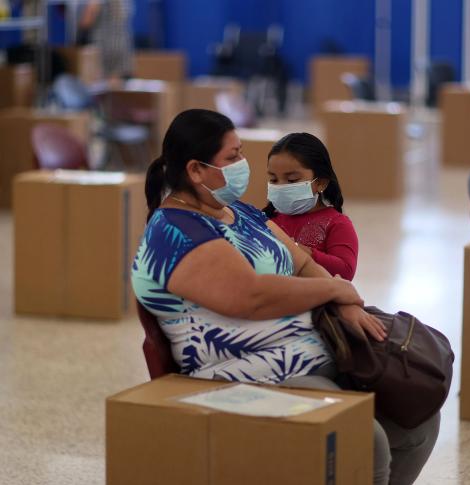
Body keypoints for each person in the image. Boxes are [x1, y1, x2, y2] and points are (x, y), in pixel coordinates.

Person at [131, 109, 439, 485]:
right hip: (237, 374)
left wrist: (344, 303)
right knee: (361, 436)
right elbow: (250, 296)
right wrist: (336, 289)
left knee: (417, 413)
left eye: (241, 153)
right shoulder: (174, 231)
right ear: (196, 170)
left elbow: (304, 262)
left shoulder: (238, 212)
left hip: (312, 349)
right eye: (232, 157)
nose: (243, 165)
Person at [264, 132, 358, 280]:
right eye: (273, 179)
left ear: (321, 182)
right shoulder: (267, 220)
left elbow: (345, 271)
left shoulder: (336, 223)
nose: (281, 187)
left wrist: (300, 251)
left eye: (292, 180)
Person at [79, 0, 133, 79]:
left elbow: (87, 20)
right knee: (117, 82)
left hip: (103, 46)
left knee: (101, 84)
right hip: (121, 43)